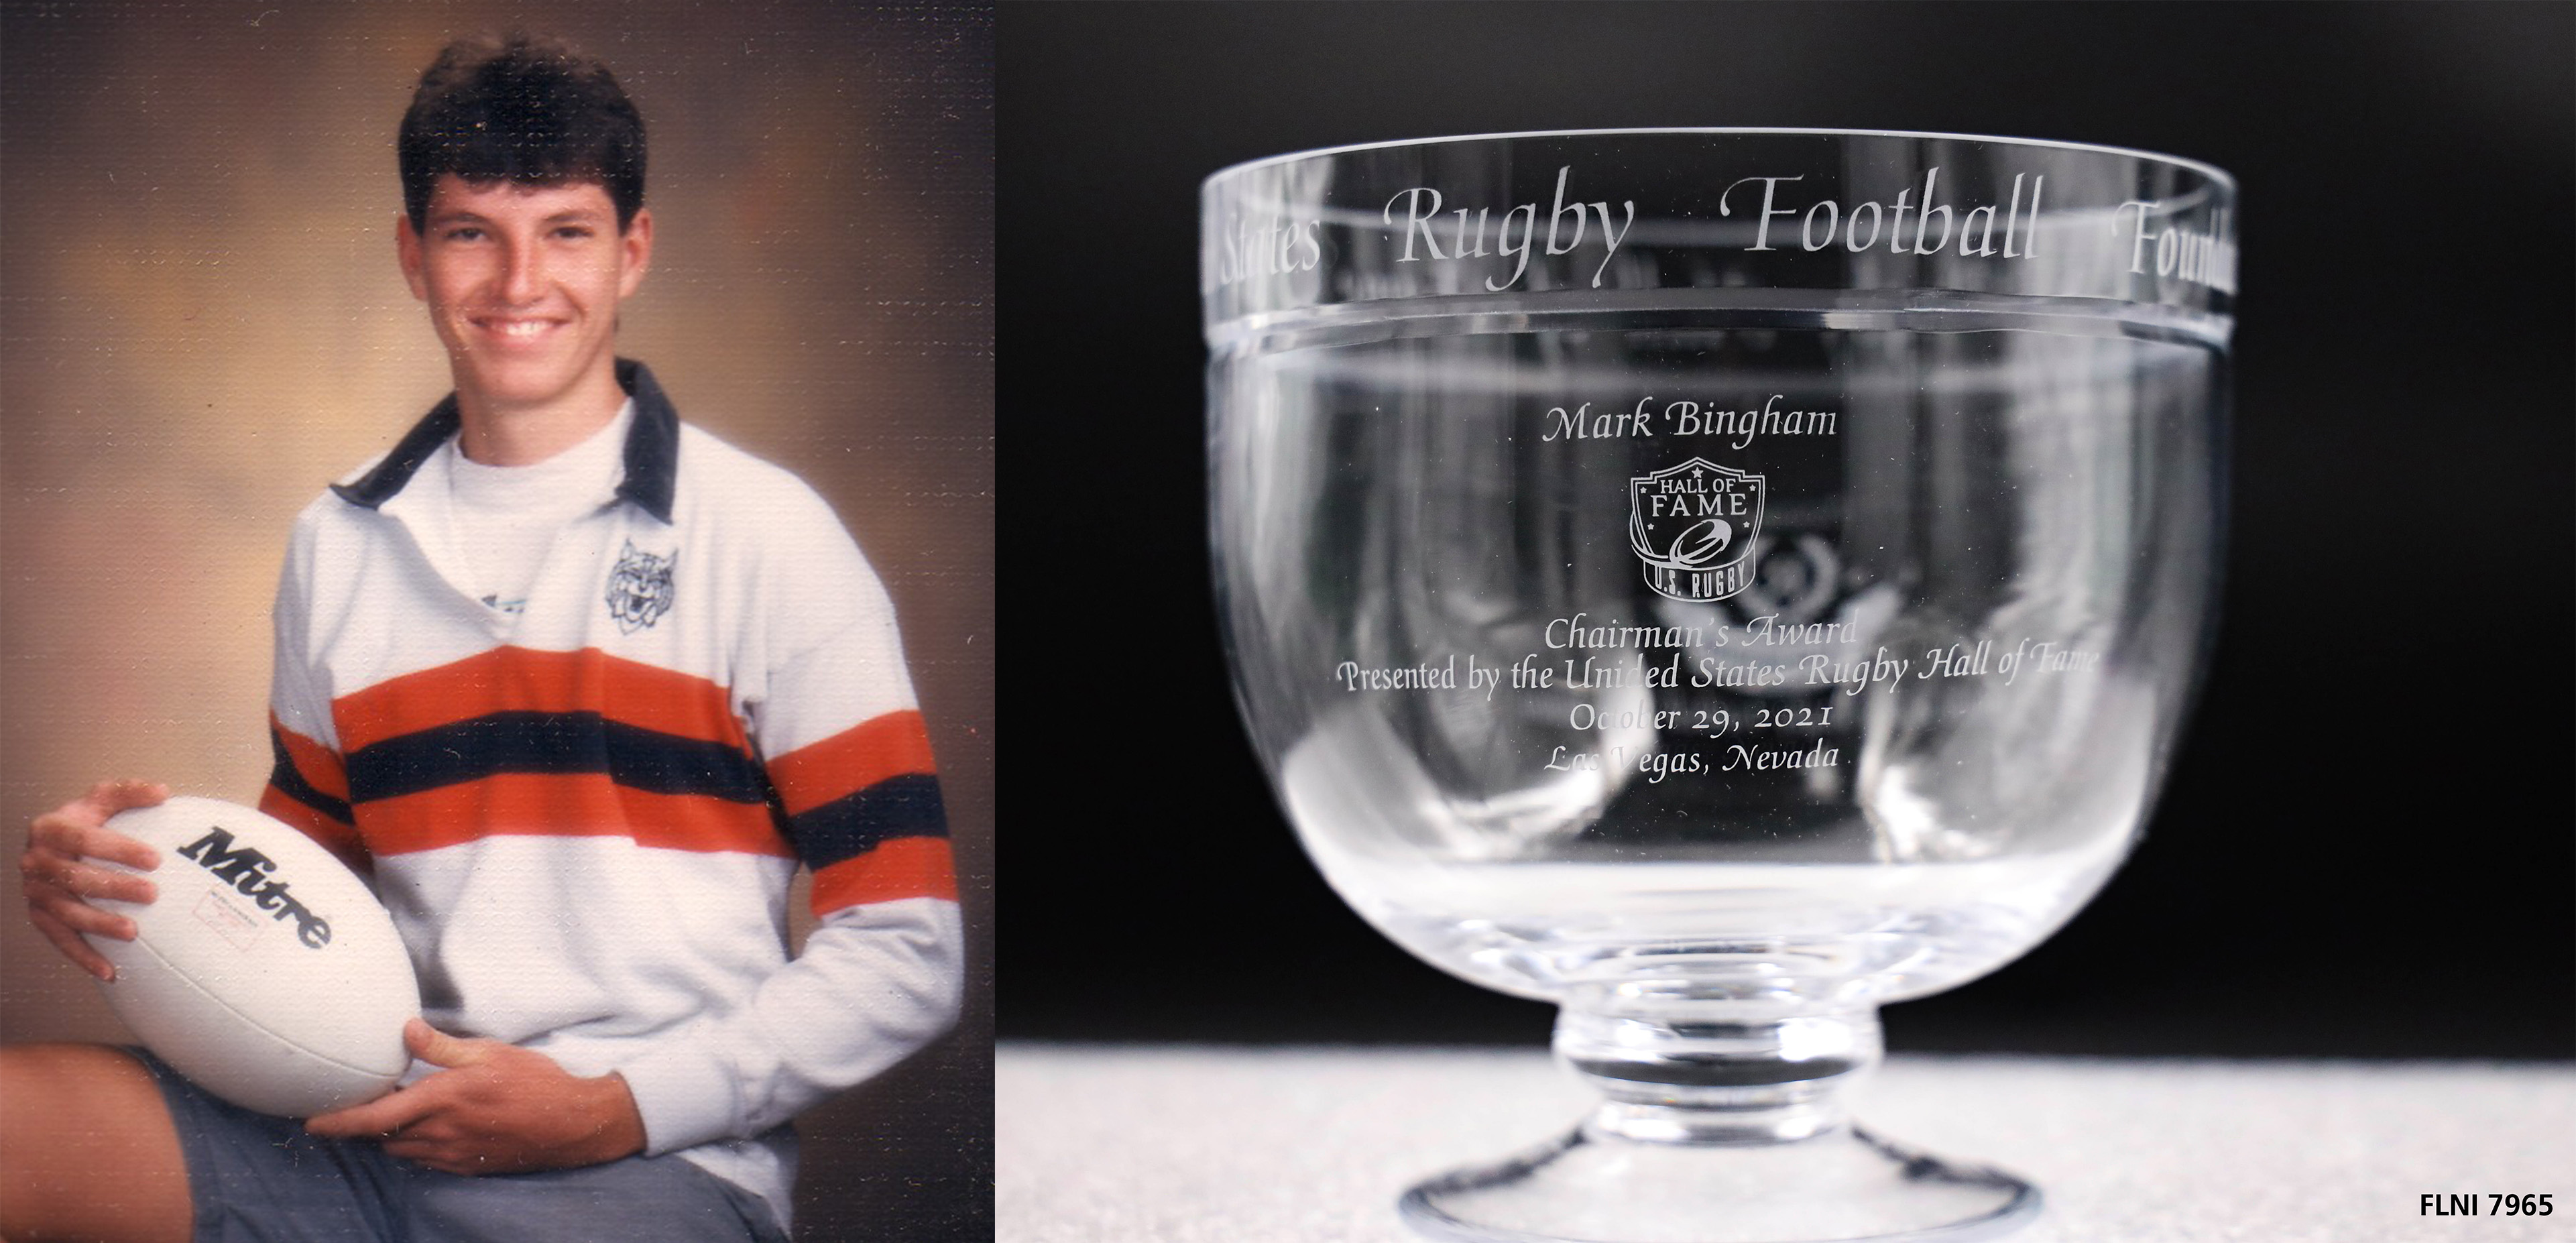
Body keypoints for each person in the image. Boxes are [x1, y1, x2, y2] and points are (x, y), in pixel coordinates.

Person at [2, 32, 961, 1243]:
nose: (519, 281)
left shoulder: (770, 536)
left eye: (565, 230)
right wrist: (125, 892)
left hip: (651, 1166)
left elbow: (906, 944)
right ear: (413, 254)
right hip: (358, 1125)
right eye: (471, 231)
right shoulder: (337, 544)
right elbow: (312, 898)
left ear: (634, 251)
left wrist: (612, 1106)